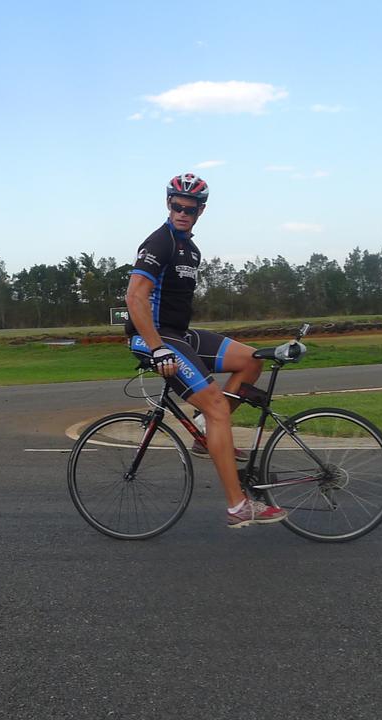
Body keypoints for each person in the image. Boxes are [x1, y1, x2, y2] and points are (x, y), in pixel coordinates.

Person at [124, 173, 288, 527]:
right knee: (217, 405)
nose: (183, 212)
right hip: (152, 337)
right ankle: (237, 505)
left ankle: (204, 431)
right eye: (176, 206)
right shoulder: (159, 243)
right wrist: (157, 349)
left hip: (179, 334)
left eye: (190, 208)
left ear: (201, 210)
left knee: (251, 360)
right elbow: (134, 297)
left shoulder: (191, 249)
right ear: (168, 204)